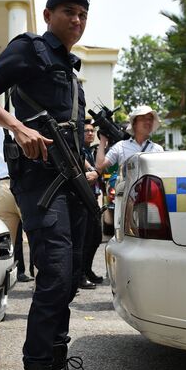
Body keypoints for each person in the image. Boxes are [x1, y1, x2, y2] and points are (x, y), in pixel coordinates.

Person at [0, 0, 97, 370]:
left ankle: (56, 355)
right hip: (41, 182)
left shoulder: (73, 74)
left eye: (83, 15)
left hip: (72, 180)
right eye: (69, 11)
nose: (77, 20)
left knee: (71, 275)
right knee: (56, 272)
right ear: (47, 15)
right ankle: (38, 364)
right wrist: (16, 127)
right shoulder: (30, 49)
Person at [0, 124, 33, 282]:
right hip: (28, 185)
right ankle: (42, 287)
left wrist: (2, 168)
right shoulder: (31, 119)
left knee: (2, 242)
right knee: (38, 239)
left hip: (3, 186)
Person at [95, 105, 165, 175]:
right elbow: (99, 165)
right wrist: (103, 140)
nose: (148, 122)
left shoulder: (158, 149)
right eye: (143, 119)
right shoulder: (120, 146)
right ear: (134, 124)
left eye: (150, 119)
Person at [79, 120, 103, 289]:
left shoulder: (90, 151)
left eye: (92, 130)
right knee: (84, 239)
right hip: (81, 199)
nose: (90, 133)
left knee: (95, 237)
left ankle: (87, 270)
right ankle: (80, 275)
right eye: (86, 130)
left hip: (92, 198)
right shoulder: (78, 151)